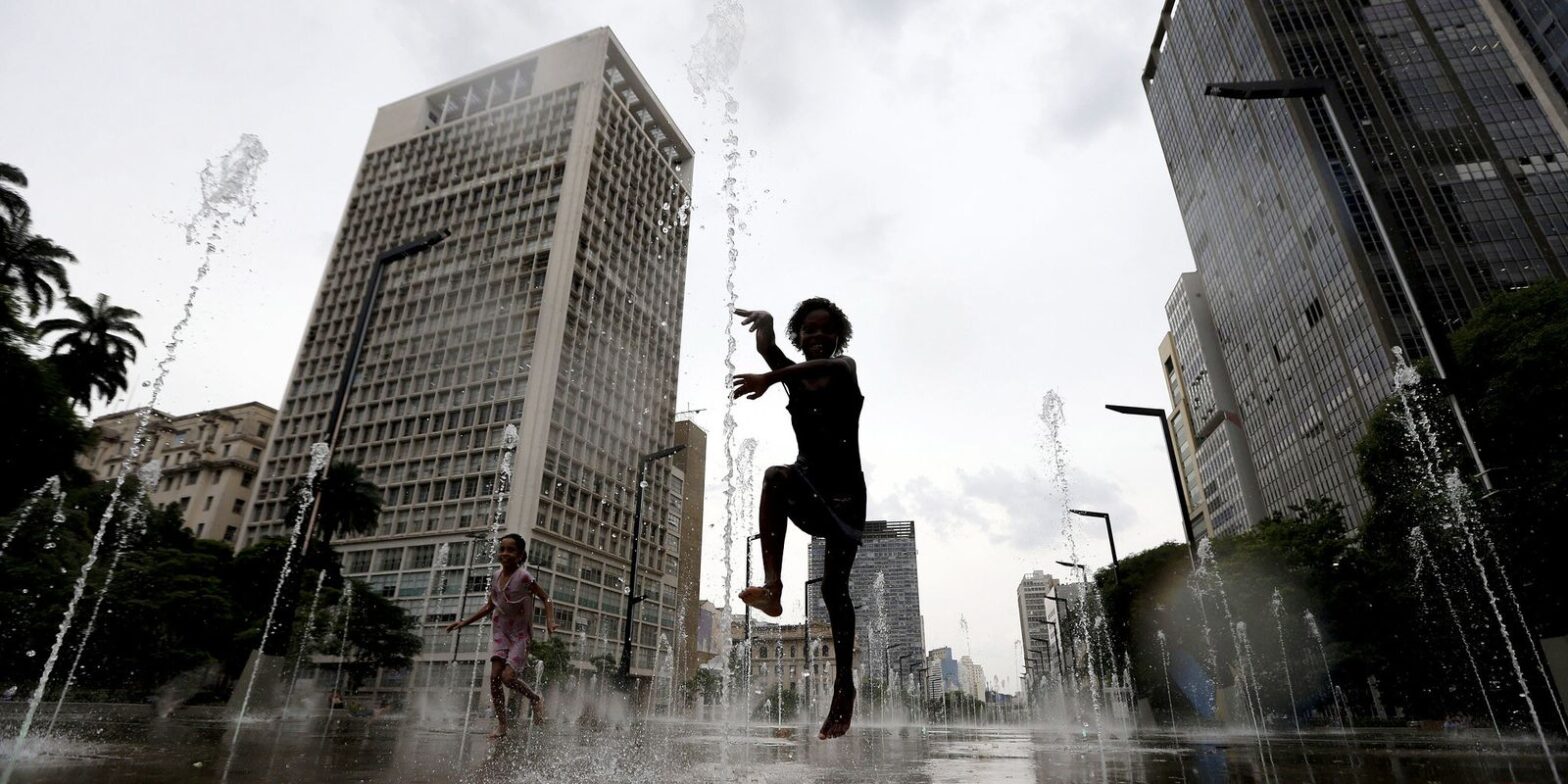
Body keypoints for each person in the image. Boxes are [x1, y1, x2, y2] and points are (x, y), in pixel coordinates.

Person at [731, 297, 865, 740]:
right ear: (800, 336)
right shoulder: (795, 376)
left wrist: (772, 377)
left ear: (838, 336)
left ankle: (843, 686)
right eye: (809, 330)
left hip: (844, 495)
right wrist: (766, 324)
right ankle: (773, 587)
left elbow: (787, 370)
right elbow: (769, 351)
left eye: (825, 330)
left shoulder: (845, 368)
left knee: (833, 588)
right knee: (774, 477)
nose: (818, 337)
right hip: (807, 484)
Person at [445, 532, 556, 739]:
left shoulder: (523, 577)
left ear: (520, 554)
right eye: (502, 549)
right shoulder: (496, 576)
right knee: (494, 678)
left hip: (520, 635)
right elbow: (489, 606)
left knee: (508, 677)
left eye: (511, 550)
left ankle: (534, 698)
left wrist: (550, 621)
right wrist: (463, 622)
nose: (505, 553)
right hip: (501, 632)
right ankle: (502, 726)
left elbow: (546, 598)